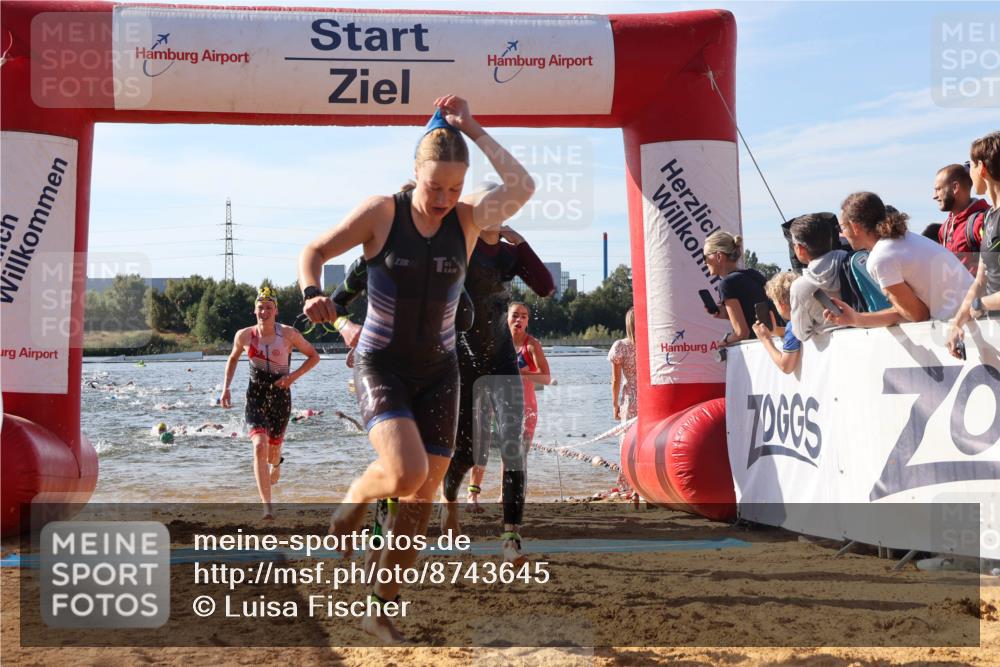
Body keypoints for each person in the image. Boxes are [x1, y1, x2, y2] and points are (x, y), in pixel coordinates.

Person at [298, 95, 534, 643]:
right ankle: (355, 501)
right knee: (402, 474)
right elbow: (314, 249)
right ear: (414, 174)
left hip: (440, 373)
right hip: (382, 364)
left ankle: (379, 604)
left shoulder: (471, 219)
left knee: (419, 499)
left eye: (456, 189)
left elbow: (522, 187)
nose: (446, 200)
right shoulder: (383, 212)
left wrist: (473, 127)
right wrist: (313, 293)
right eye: (436, 189)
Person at [439, 184, 555, 565]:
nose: (495, 211)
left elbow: (546, 286)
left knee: (513, 448)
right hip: (465, 359)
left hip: (503, 360)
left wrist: (519, 242)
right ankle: (450, 497)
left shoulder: (508, 254)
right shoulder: (460, 249)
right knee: (470, 449)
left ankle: (511, 538)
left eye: (501, 206)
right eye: (487, 205)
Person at [221, 286, 320, 519]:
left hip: (280, 397)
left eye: (268, 307)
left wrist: (292, 377)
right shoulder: (244, 336)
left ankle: (277, 464)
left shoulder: (288, 334)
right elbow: (233, 357)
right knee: (258, 445)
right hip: (255, 395)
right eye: (260, 307)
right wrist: (226, 388)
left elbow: (314, 356)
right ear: (254, 311)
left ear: (275, 311)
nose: (263, 311)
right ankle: (267, 506)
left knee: (272, 453)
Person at [825, 193, 973, 328]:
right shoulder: (905, 239)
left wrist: (857, 318)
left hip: (964, 326)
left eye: (842, 227)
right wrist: (856, 318)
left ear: (855, 227)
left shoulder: (880, 257)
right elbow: (912, 311)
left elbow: (917, 315)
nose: (842, 233)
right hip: (975, 318)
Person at [947, 131, 1000, 358]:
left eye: (971, 165)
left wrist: (980, 305)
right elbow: (980, 279)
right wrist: (957, 322)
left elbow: (979, 297)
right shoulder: (989, 216)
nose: (969, 172)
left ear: (983, 169)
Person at [788, 214, 853, 341]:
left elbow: (802, 333)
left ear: (800, 249)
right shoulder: (854, 262)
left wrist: (821, 328)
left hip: (835, 352)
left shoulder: (800, 286)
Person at [702, 230, 772, 346]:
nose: (705, 262)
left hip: (754, 352)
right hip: (773, 345)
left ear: (719, 256)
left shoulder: (726, 284)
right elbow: (756, 316)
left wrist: (723, 342)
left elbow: (742, 333)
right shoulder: (754, 274)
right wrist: (726, 314)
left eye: (705, 257)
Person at [509, 302, 552, 451]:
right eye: (514, 316)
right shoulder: (500, 344)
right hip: (501, 407)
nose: (518, 320)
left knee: (519, 458)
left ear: (527, 321)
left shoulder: (532, 345)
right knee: (504, 455)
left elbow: (546, 378)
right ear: (506, 319)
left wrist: (521, 373)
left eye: (523, 317)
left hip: (526, 409)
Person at [934, 162, 991, 274]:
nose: (934, 196)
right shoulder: (944, 228)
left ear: (955, 187)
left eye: (938, 189)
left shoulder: (982, 221)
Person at [608, 307, 638, 495]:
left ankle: (629, 484)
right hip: (651, 396)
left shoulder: (620, 346)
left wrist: (615, 405)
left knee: (628, 442)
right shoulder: (651, 344)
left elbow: (615, 380)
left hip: (631, 398)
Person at [753, 272, 802, 374]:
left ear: (781, 305)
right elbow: (798, 333)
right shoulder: (809, 315)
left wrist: (765, 340)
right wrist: (775, 331)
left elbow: (786, 366)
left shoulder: (793, 324)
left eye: (774, 303)